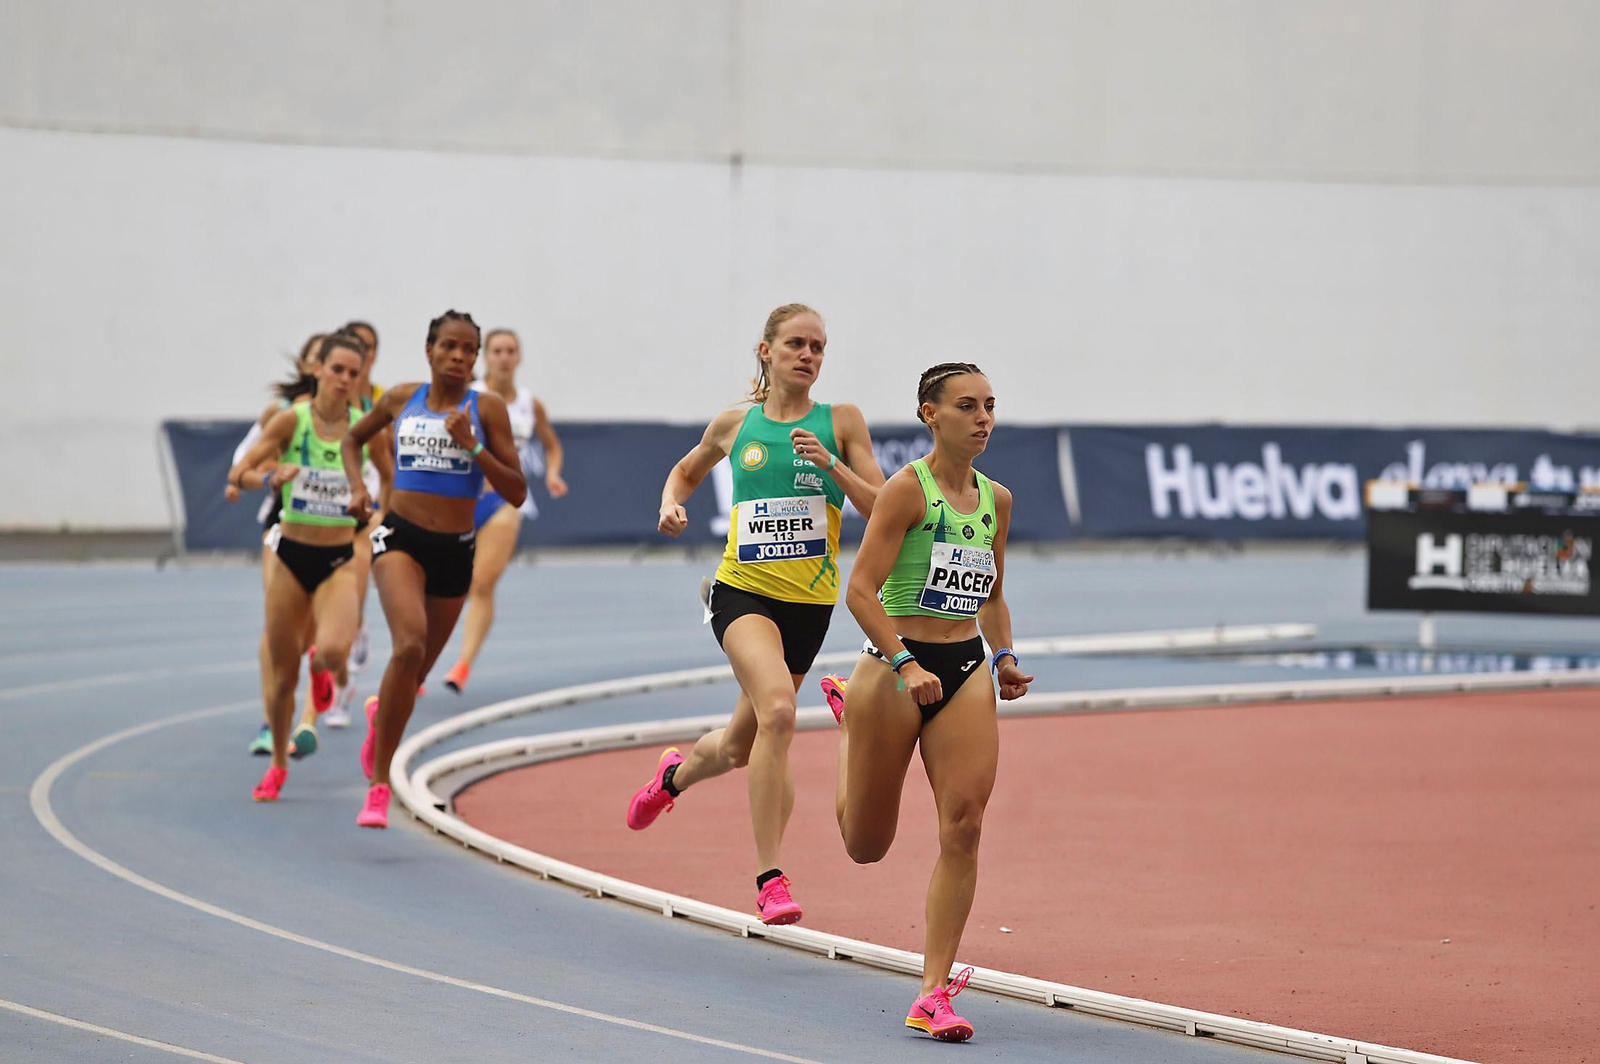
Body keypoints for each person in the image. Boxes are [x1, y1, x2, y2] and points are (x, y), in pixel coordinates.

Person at [625, 303, 885, 925]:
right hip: (742, 593)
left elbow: (882, 507)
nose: (808, 355)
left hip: (809, 607)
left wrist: (833, 466)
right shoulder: (735, 424)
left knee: (740, 746)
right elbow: (685, 471)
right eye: (796, 343)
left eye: (818, 347)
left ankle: (672, 778)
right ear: (766, 350)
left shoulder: (841, 421)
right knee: (780, 711)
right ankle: (771, 878)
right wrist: (670, 504)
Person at [817, 362, 1032, 1042]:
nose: (983, 418)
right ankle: (851, 720)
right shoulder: (906, 491)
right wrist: (904, 663)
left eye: (990, 405)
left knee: (964, 825)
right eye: (967, 405)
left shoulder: (997, 499)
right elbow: (860, 591)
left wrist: (1004, 656)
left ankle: (932, 992)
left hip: (964, 670)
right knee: (865, 845)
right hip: (892, 668)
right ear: (929, 414)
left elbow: (991, 594)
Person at [340, 310, 526, 828]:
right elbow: (351, 441)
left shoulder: (487, 409)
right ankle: (379, 786)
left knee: (413, 674)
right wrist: (357, 489)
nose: (459, 357)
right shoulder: (401, 398)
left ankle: (382, 715)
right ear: (429, 350)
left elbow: (516, 491)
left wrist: (473, 445)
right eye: (449, 346)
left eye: (468, 349)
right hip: (400, 537)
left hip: (455, 549)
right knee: (409, 646)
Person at [225, 332, 391, 801]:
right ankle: (278, 764)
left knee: (334, 652)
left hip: (338, 557)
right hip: (290, 557)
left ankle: (323, 672)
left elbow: (390, 479)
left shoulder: (366, 428)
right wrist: (268, 478)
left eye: (353, 373)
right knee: (282, 678)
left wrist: (378, 515)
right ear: (318, 370)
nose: (345, 379)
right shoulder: (291, 421)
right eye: (337, 369)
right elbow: (240, 472)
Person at [442, 327, 569, 694]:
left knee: (481, 583)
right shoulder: (468, 396)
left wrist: (553, 474)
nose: (504, 357)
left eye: (510, 350)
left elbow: (552, 445)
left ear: (519, 357)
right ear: (486, 357)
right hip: (460, 498)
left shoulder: (530, 404)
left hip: (501, 501)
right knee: (441, 583)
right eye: (497, 350)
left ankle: (462, 665)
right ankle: (420, 660)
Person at [230, 333, 323, 756]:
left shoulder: (358, 415)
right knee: (277, 626)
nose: (328, 371)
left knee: (315, 633)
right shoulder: (283, 412)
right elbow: (243, 462)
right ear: (305, 365)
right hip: (285, 522)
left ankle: (308, 719)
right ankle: (272, 722)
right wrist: (269, 474)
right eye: (318, 360)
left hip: (337, 531)